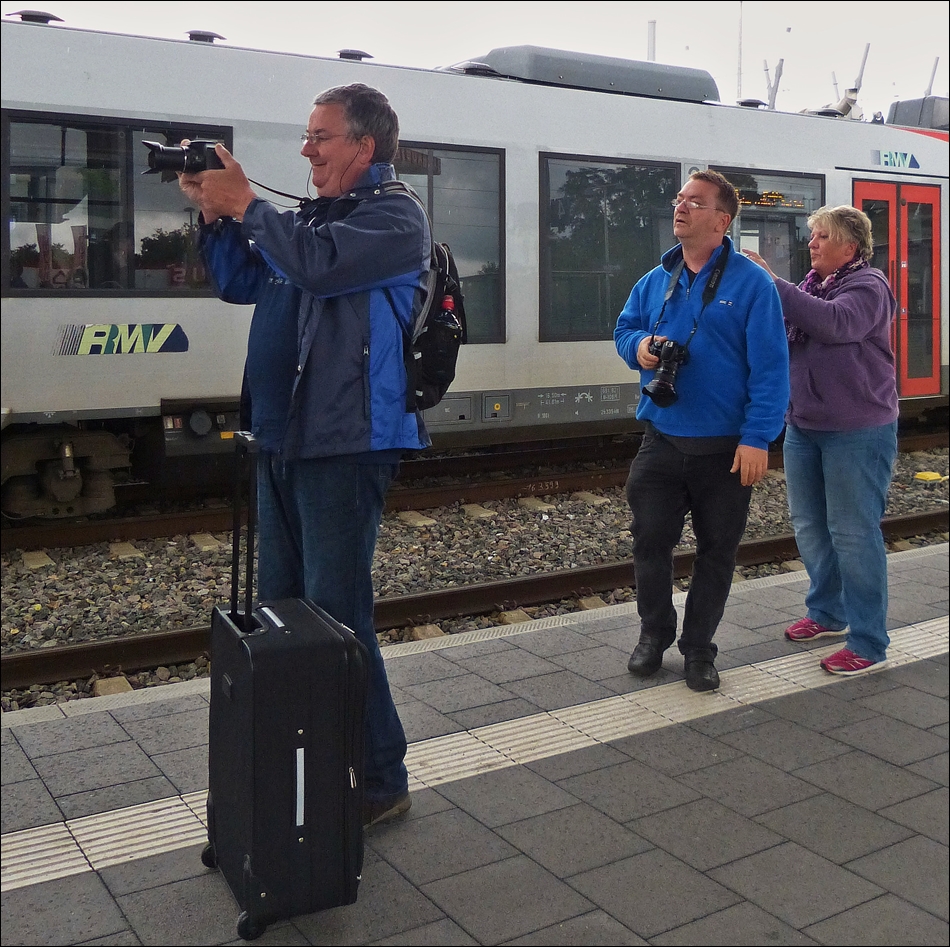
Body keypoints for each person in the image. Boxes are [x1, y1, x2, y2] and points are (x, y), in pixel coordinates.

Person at [180, 83, 430, 826]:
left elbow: (317, 267)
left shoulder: (393, 217)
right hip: (285, 436)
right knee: (284, 614)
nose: (306, 148)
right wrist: (216, 216)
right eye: (307, 135)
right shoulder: (315, 217)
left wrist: (249, 203)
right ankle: (309, 767)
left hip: (347, 440)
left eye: (320, 137)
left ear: (364, 145)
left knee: (336, 615)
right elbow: (240, 282)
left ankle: (381, 776)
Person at [615, 170, 789, 691]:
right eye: (679, 200)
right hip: (662, 439)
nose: (681, 207)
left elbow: (772, 367)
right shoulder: (654, 279)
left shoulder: (752, 284)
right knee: (649, 541)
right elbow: (624, 330)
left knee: (717, 551)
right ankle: (654, 634)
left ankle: (699, 650)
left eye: (694, 201)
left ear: (722, 219)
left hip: (725, 449)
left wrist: (758, 436)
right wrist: (640, 347)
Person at [743, 205, 898, 676]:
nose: (812, 243)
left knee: (853, 534)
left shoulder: (869, 286)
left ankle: (868, 641)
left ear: (850, 247)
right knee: (810, 525)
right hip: (805, 425)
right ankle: (828, 613)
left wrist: (773, 282)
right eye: (812, 236)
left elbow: (834, 324)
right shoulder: (813, 286)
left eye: (822, 236)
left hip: (858, 429)